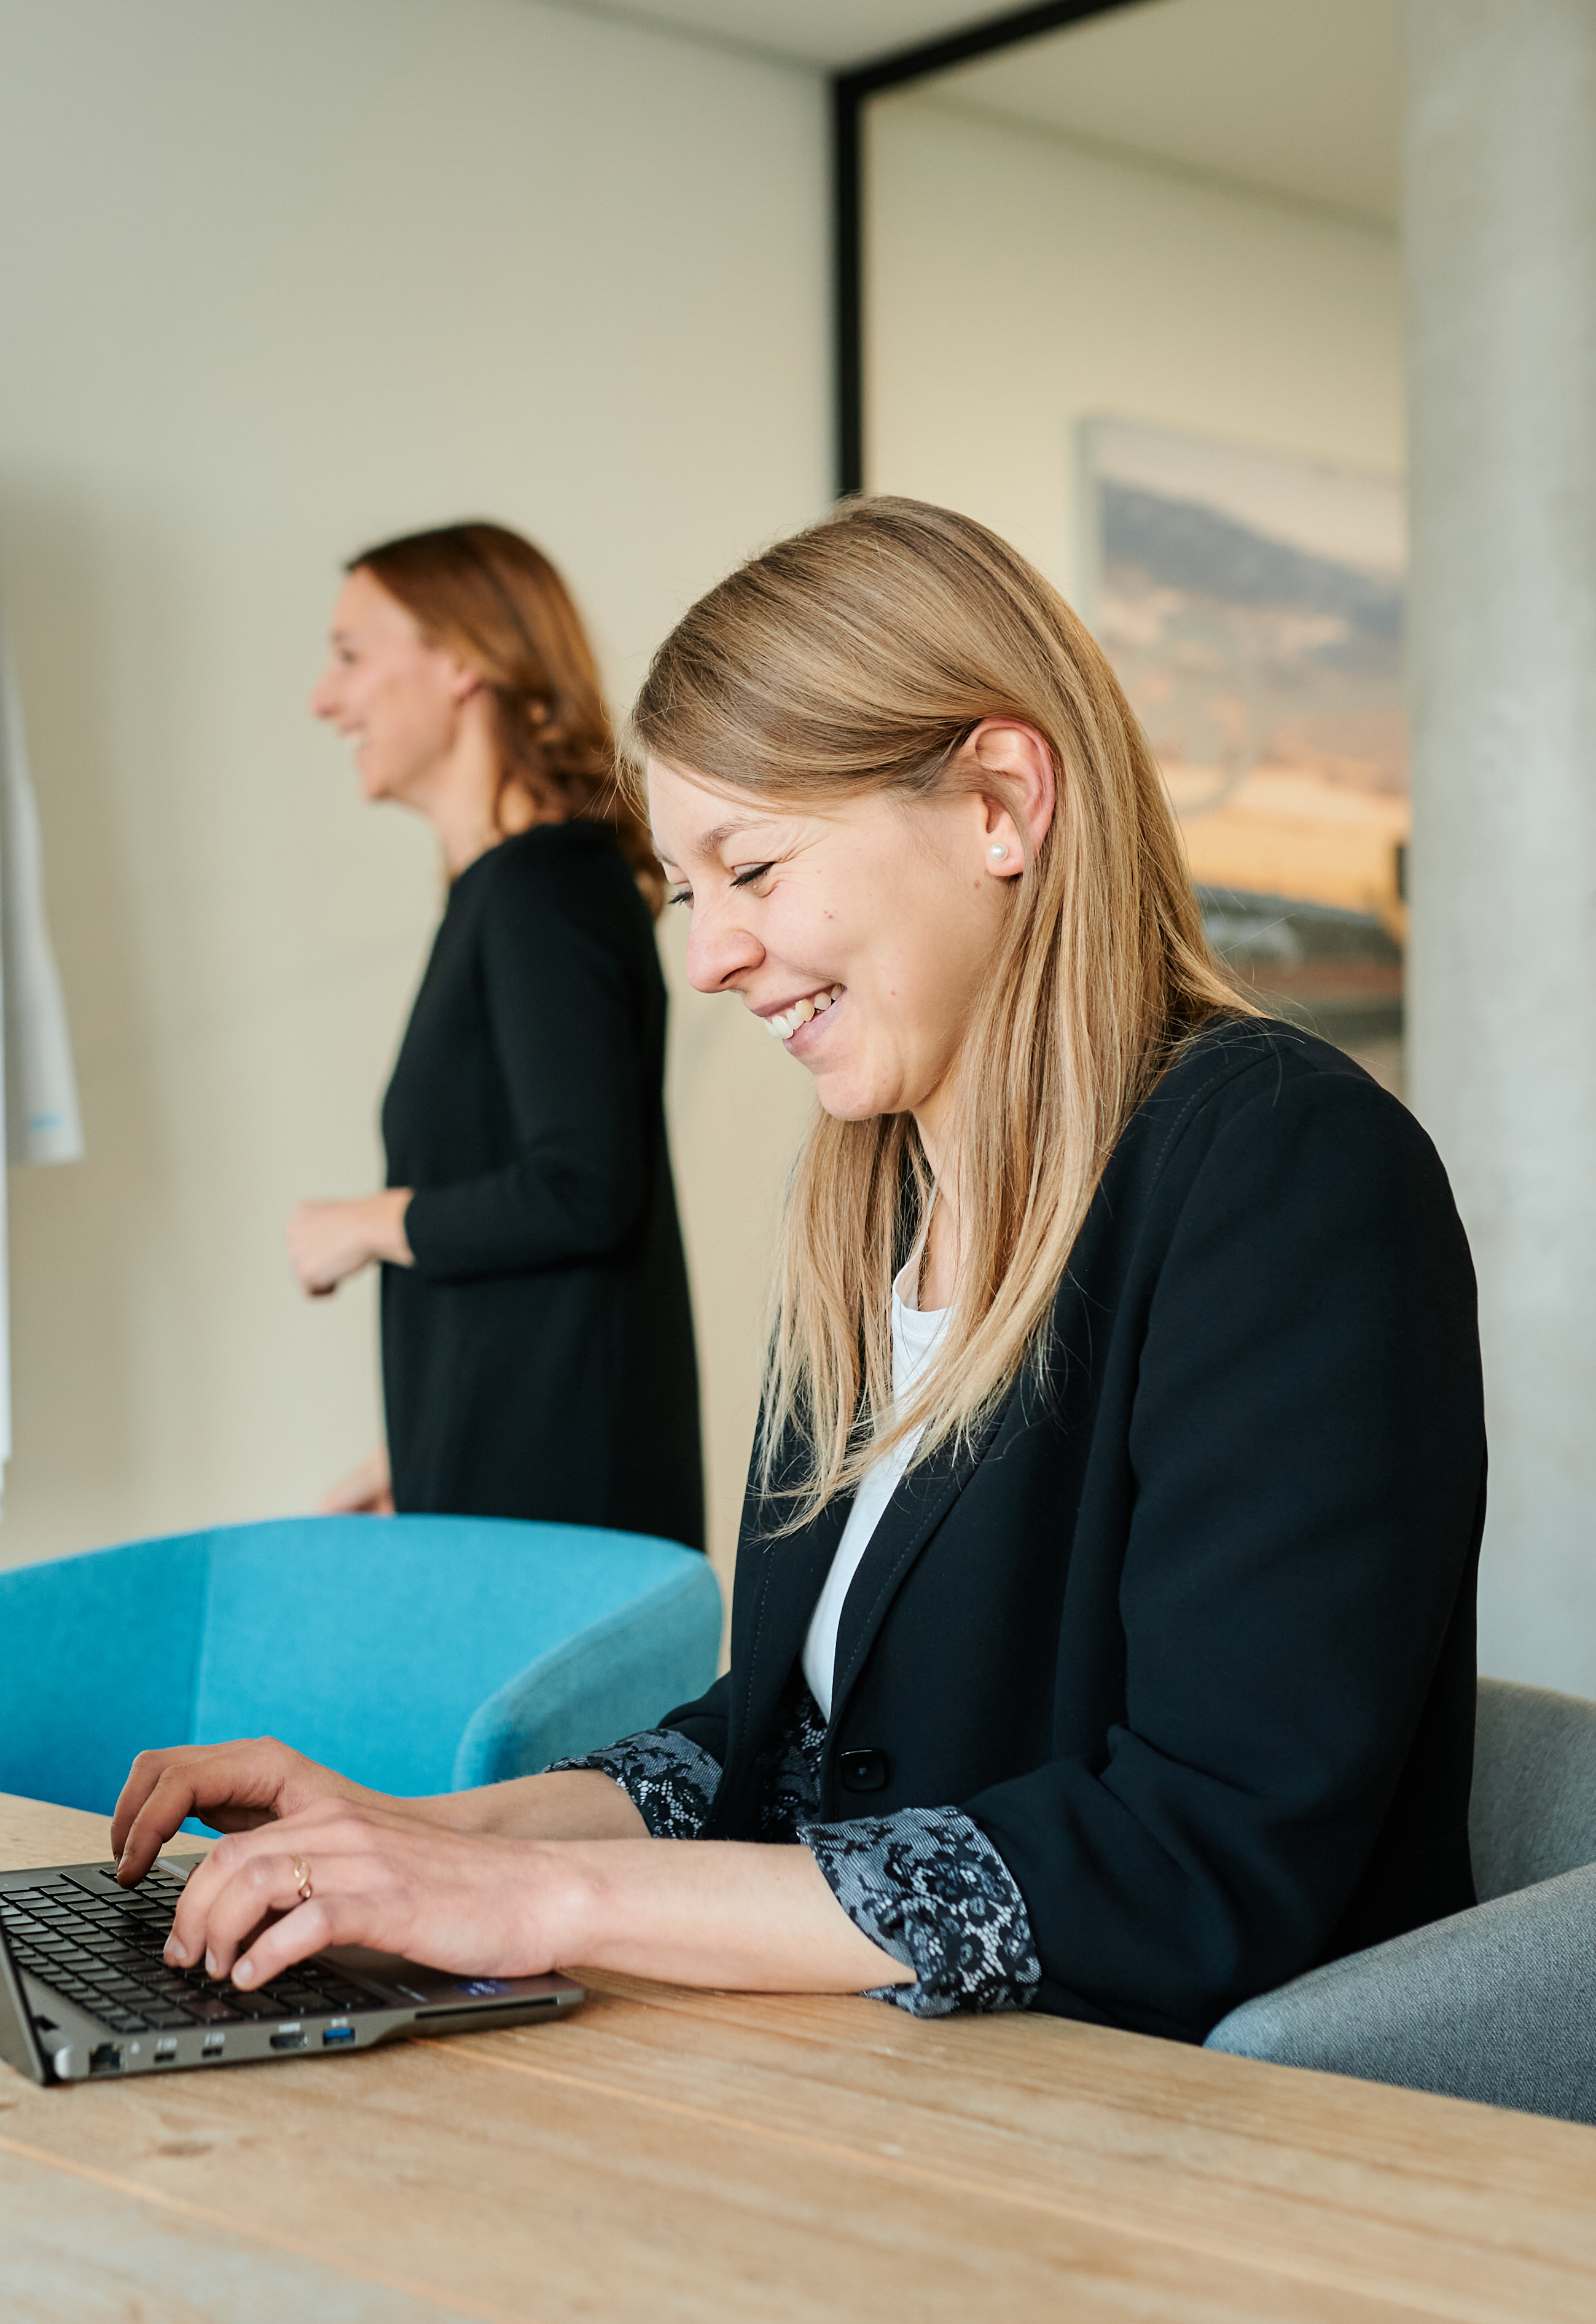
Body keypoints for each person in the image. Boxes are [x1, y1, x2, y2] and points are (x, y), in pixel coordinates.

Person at [114, 498, 1485, 2043]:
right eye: (692, 891)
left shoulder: (1286, 1171)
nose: (706, 958)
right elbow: (794, 1737)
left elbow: (1199, 1855)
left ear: (1000, 799)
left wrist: (546, 1904)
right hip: (896, 2074)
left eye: (753, 866)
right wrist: (435, 1836)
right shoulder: (870, 1205)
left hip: (1167, 2127)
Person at [289, 522, 705, 1551]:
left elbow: (582, 1191)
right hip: (514, 1489)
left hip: (557, 1532)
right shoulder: (509, 894)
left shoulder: (544, 891)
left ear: (464, 658)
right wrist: (419, 1452)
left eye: (349, 656)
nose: (324, 698)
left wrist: (366, 1222)